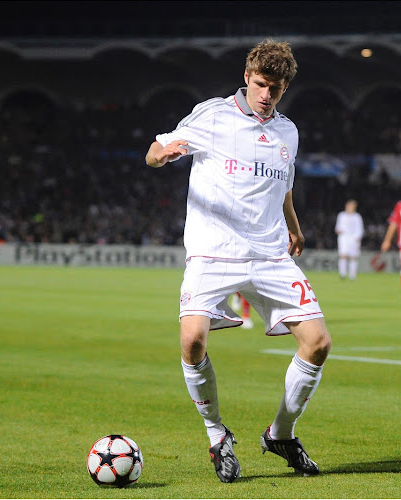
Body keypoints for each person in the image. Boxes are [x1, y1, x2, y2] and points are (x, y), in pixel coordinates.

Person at [145, 39, 331, 483]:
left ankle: (281, 434)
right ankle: (217, 436)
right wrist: (161, 156)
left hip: (268, 254)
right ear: (247, 77)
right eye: (262, 84)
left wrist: (294, 224)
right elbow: (155, 150)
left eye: (277, 87)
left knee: (318, 343)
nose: (267, 94)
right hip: (213, 250)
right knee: (192, 341)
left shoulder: (289, 132)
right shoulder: (212, 114)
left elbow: (283, 184)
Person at [335, 199, 364, 280]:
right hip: (343, 238)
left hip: (354, 239)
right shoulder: (341, 215)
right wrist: (339, 230)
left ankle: (352, 276)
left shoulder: (357, 217)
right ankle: (342, 274)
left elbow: (360, 229)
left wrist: (357, 237)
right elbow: (338, 227)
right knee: (343, 256)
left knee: (353, 257)